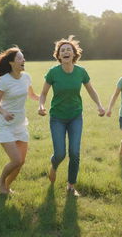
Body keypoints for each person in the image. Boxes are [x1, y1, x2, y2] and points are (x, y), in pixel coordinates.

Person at [38, 35, 105, 196]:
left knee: (74, 152)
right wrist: (41, 106)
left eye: (69, 50)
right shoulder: (53, 72)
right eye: (62, 50)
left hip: (75, 116)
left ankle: (71, 186)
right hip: (57, 118)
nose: (66, 52)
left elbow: (91, 90)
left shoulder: (81, 72)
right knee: (60, 153)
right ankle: (53, 165)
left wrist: (99, 105)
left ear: (74, 54)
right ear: (58, 55)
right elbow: (43, 93)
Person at [0, 47, 39, 194]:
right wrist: (4, 112)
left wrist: (42, 100)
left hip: (20, 124)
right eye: (20, 58)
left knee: (21, 162)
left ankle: (7, 187)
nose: (24, 60)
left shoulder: (26, 77)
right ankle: (1, 181)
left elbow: (32, 95)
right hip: (5, 126)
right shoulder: (4, 80)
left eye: (23, 58)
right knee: (16, 160)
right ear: (11, 62)